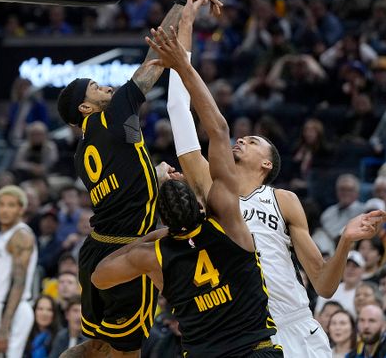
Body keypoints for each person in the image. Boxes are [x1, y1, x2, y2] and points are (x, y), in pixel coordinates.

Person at [162, 0, 386, 356]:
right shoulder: (212, 187)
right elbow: (178, 110)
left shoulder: (284, 200)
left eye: (252, 141)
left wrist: (345, 240)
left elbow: (325, 286)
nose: (241, 139)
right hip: (248, 333)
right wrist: (186, 26)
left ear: (267, 163)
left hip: (299, 324)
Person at [91, 20, 318, 357]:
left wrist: (152, 237)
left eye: (254, 141)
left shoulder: (160, 251)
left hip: (290, 319)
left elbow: (100, 276)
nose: (242, 140)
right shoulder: (224, 212)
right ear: (200, 202)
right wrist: (183, 48)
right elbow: (196, 118)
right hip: (260, 336)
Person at [54, 0, 222, 358]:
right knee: (126, 352)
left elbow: (124, 186)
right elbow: (157, 59)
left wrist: (155, 175)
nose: (108, 87)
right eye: (97, 87)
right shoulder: (112, 116)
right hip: (126, 253)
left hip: (94, 251)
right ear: (85, 108)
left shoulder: (83, 152)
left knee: (94, 345)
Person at [0, 186, 38, 358]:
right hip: (1, 307)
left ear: (21, 209)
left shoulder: (21, 236)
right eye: (1, 205)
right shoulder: (5, 236)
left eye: (11, 205)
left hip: (13, 309)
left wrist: (4, 327)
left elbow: (19, 282)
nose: (5, 210)